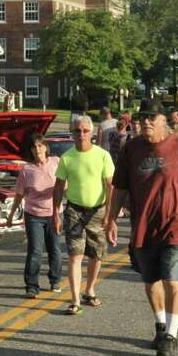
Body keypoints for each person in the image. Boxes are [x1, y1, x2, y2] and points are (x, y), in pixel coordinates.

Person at [106, 100, 178, 356]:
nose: (146, 122)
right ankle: (161, 327)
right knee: (150, 281)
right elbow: (119, 188)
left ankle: (171, 336)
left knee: (173, 280)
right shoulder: (132, 148)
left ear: (166, 121)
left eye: (152, 117)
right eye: (143, 118)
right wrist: (111, 219)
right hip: (143, 225)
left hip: (176, 224)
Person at [53, 115, 114, 315]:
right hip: (74, 210)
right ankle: (75, 299)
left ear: (92, 133)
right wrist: (56, 212)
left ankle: (89, 289)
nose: (81, 135)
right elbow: (59, 186)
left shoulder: (102, 155)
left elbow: (110, 186)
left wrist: (110, 214)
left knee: (96, 254)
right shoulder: (67, 157)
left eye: (85, 131)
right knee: (74, 255)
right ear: (72, 133)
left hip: (98, 210)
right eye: (77, 131)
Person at [8, 133, 63, 298]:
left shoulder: (56, 162)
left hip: (55, 213)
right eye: (34, 147)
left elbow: (65, 185)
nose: (37, 149)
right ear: (31, 150)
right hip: (34, 215)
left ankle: (55, 280)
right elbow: (19, 194)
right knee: (35, 251)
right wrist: (11, 215)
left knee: (55, 249)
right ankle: (32, 285)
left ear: (46, 147)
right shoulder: (27, 170)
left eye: (40, 145)